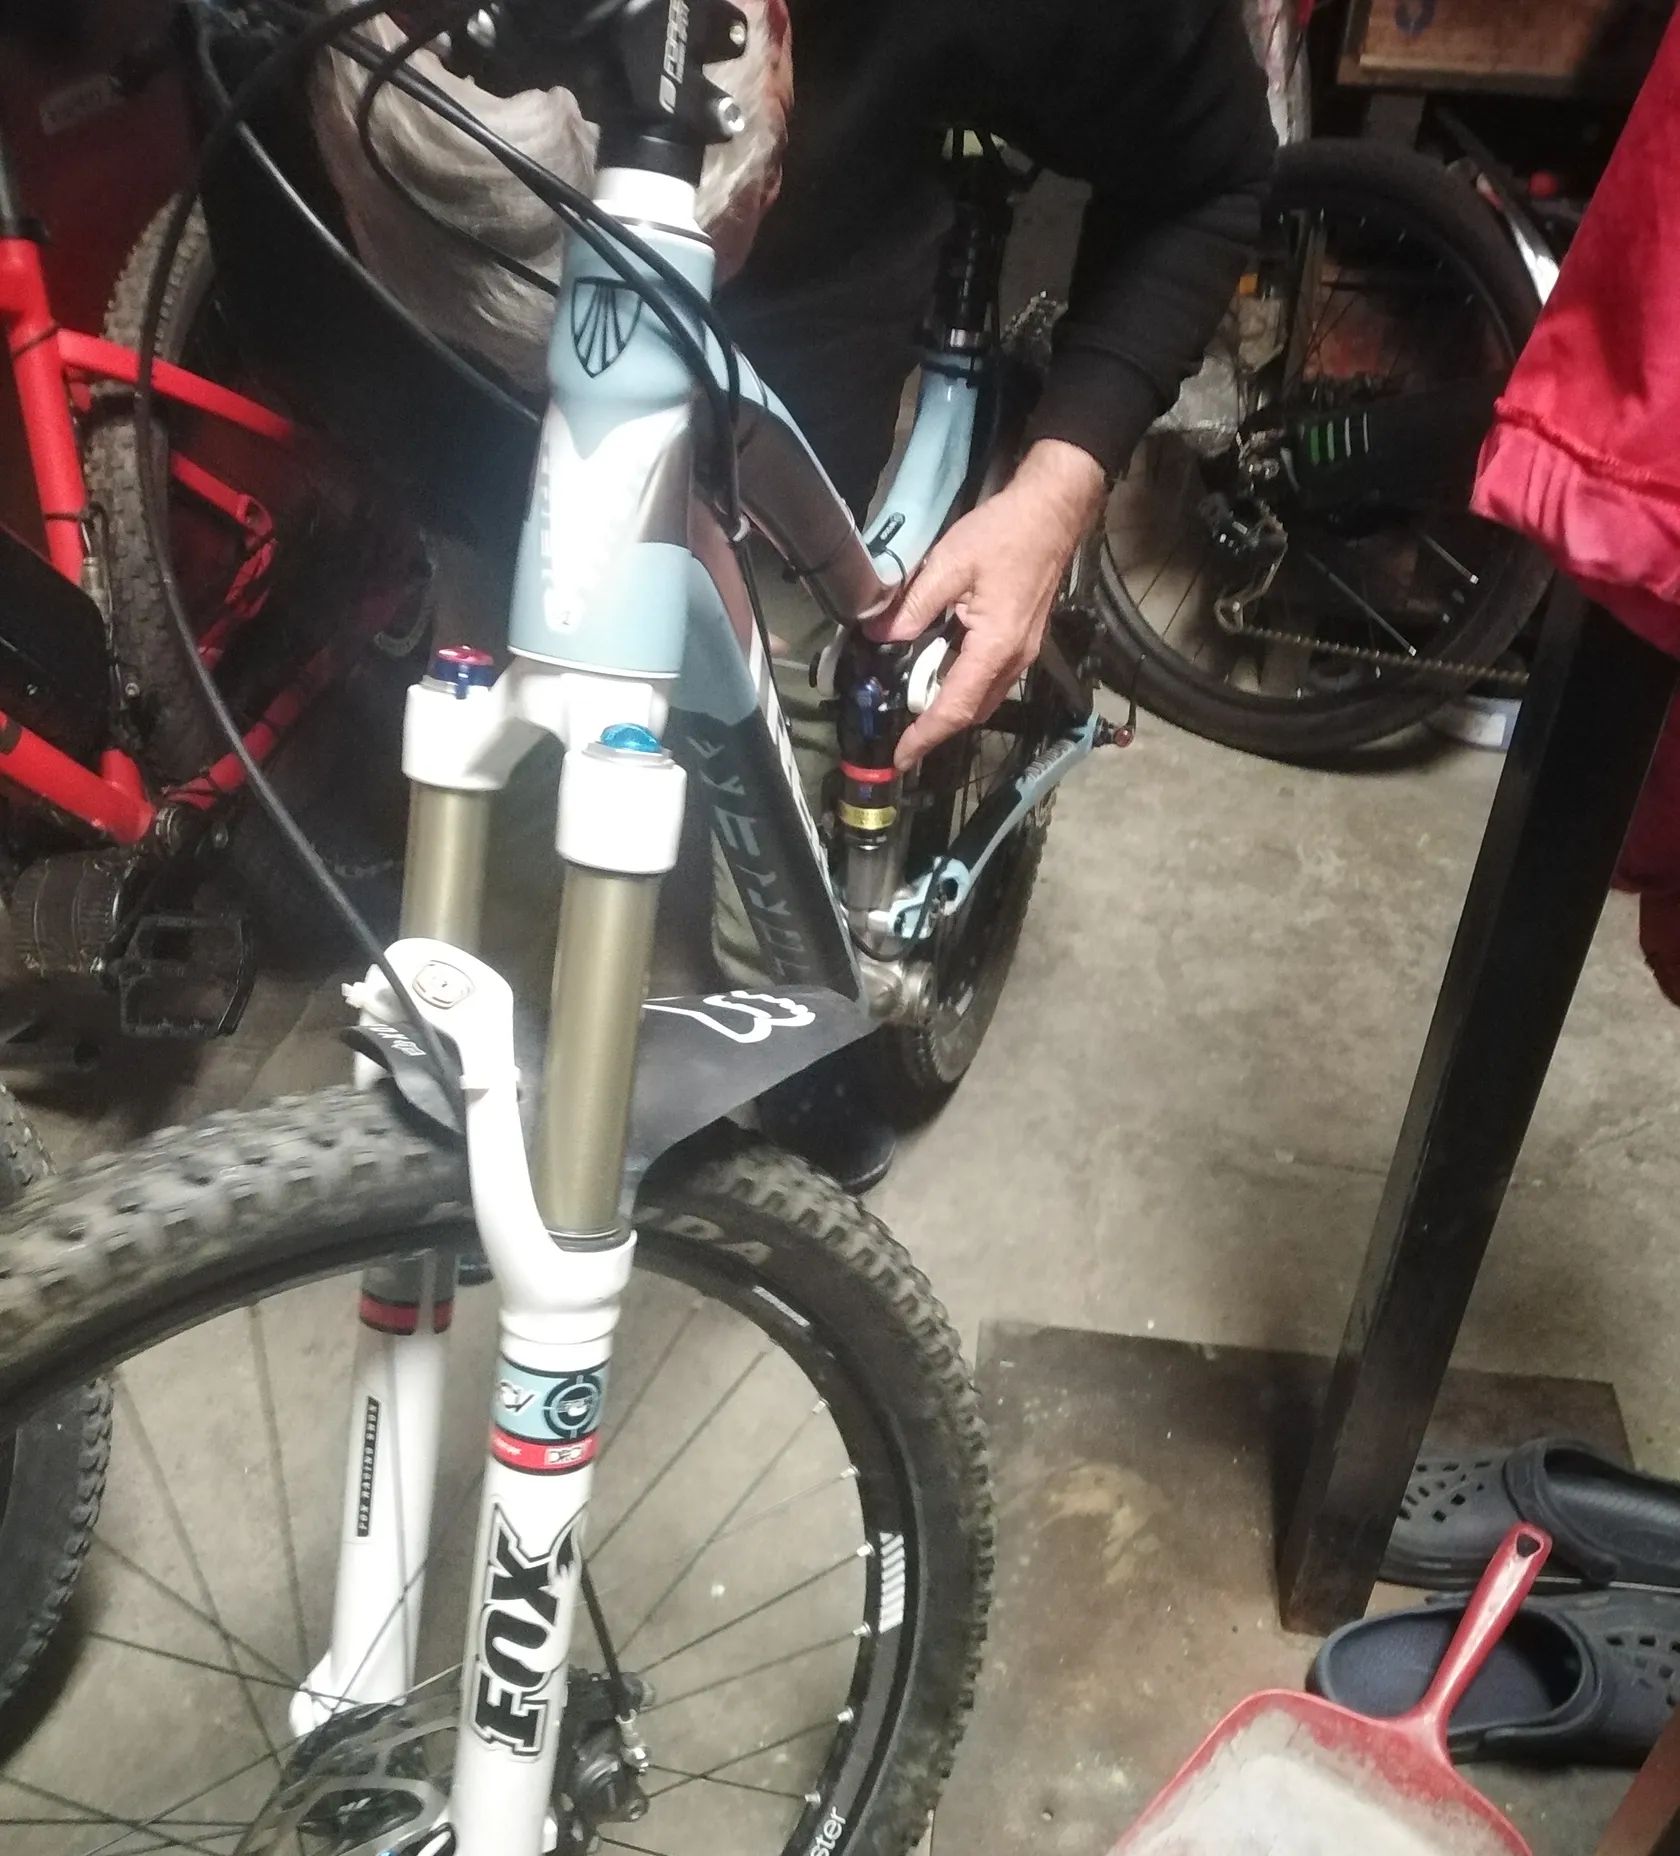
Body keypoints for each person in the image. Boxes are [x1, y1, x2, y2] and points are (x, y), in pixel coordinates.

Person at [319, 0, 1276, 1185]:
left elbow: (1215, 176)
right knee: (506, 810)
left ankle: (802, 1028)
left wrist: (1055, 492)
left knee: (800, 744)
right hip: (446, 381)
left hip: (805, 337)